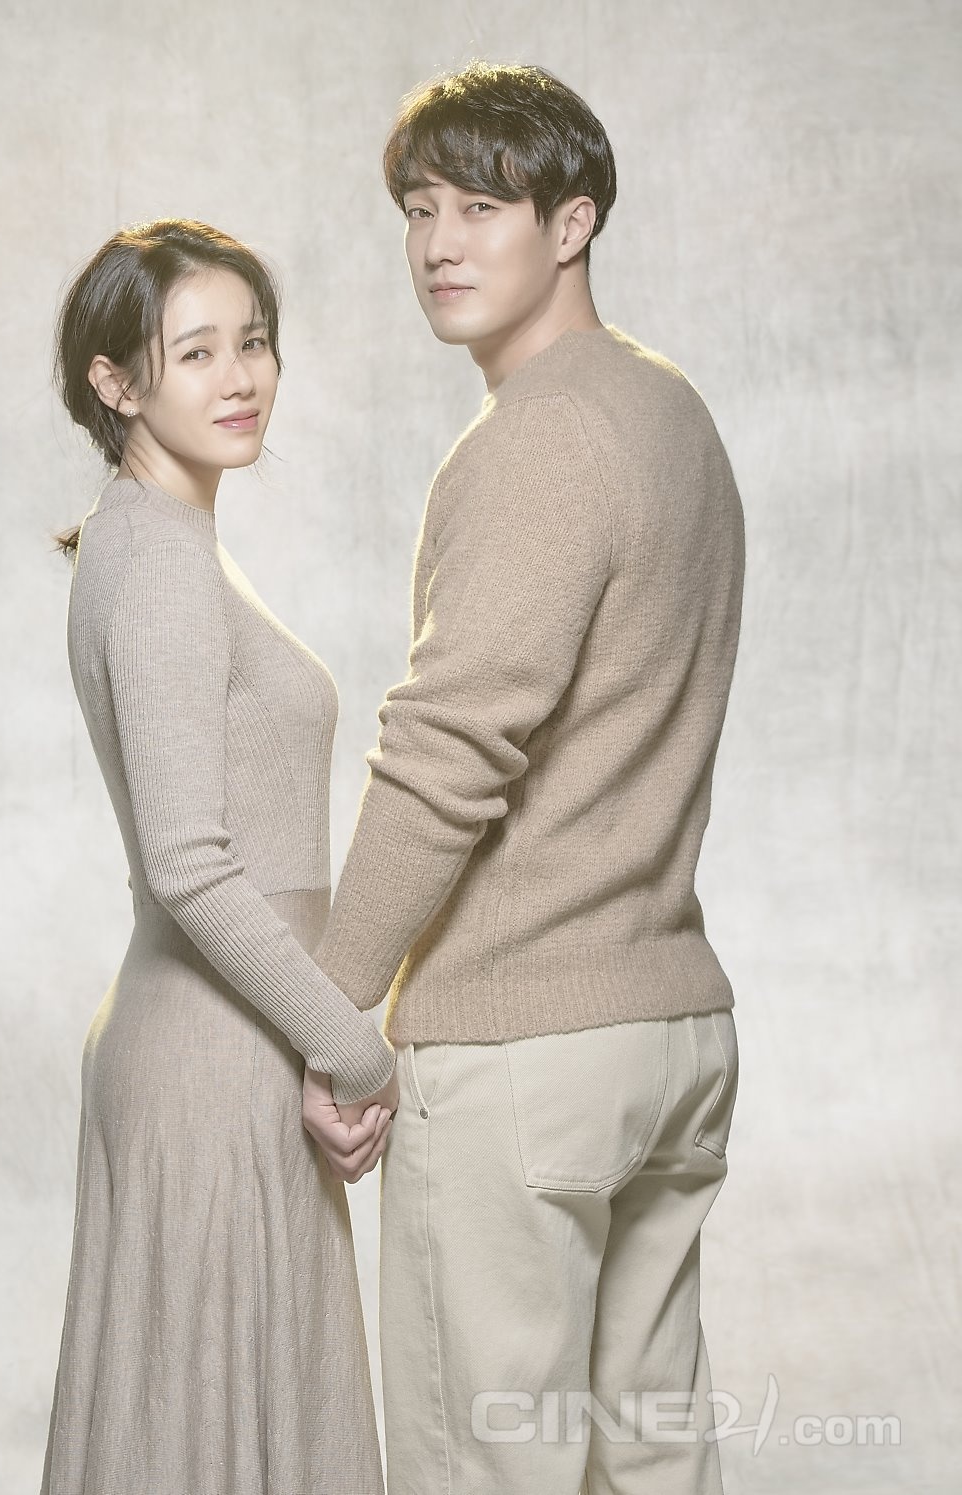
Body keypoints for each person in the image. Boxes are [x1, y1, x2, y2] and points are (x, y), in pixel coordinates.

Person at [301, 62, 746, 1495]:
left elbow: (449, 750)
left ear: (574, 222)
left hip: (524, 1053)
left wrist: (331, 1010)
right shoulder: (669, 410)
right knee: (653, 1460)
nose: (439, 243)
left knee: (488, 1469)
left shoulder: (540, 434)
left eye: (482, 207)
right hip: (669, 1033)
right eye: (419, 209)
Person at [38, 217, 399, 1495]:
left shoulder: (158, 537)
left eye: (254, 342)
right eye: (196, 352)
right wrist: (353, 1045)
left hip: (228, 1038)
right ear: (117, 382)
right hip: (218, 1052)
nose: (241, 377)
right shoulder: (156, 561)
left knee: (209, 1435)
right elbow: (189, 863)